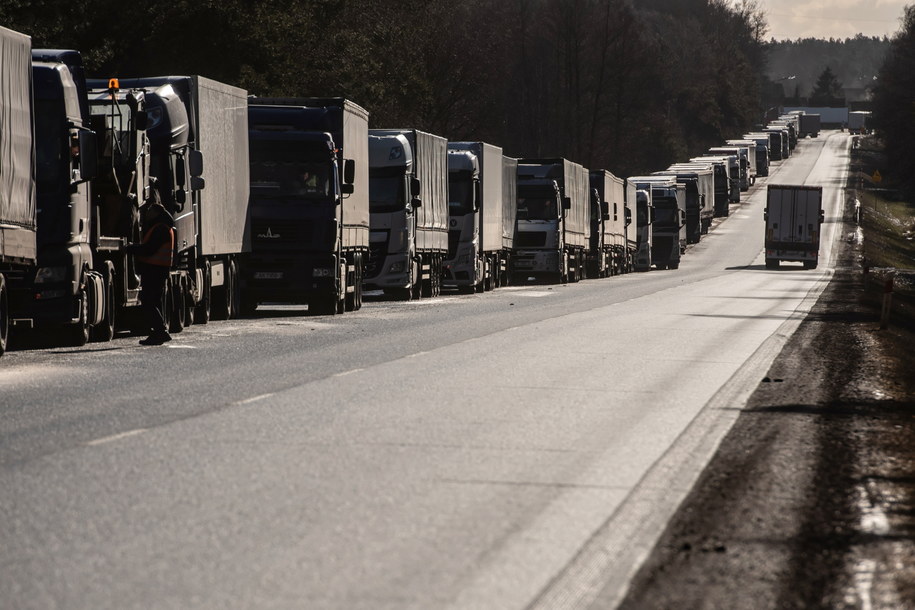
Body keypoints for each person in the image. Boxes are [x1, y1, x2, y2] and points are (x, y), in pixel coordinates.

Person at [126, 191, 175, 345]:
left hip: (154, 270)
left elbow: (149, 249)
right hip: (156, 270)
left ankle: (160, 331)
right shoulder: (162, 227)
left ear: (157, 213)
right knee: (153, 302)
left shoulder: (160, 229)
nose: (146, 213)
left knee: (149, 302)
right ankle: (157, 333)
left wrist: (131, 248)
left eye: (149, 211)